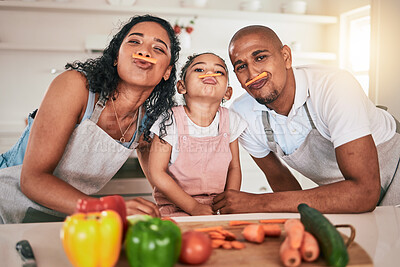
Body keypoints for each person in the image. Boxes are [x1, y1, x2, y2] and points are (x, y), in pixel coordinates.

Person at [0, 14, 181, 223]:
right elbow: (33, 181)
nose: (144, 51)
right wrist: (106, 208)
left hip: (62, 218)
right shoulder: (75, 87)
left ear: (167, 71)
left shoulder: (145, 125)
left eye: (158, 48)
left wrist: (192, 212)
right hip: (5, 203)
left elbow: (162, 185)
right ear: (116, 57)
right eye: (134, 41)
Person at [212, 25, 400, 214]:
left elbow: (364, 193)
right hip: (345, 196)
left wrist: (258, 203)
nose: (252, 74)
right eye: (241, 66)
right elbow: (280, 179)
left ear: (286, 56)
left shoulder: (334, 86)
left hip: (393, 174)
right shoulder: (242, 113)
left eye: (260, 57)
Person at [148, 53, 247, 216]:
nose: (209, 73)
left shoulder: (230, 120)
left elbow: (234, 167)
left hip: (218, 207)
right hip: (177, 207)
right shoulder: (170, 119)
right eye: (199, 69)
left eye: (219, 72)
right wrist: (193, 207)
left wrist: (229, 203)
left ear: (227, 93)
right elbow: (157, 172)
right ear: (182, 87)